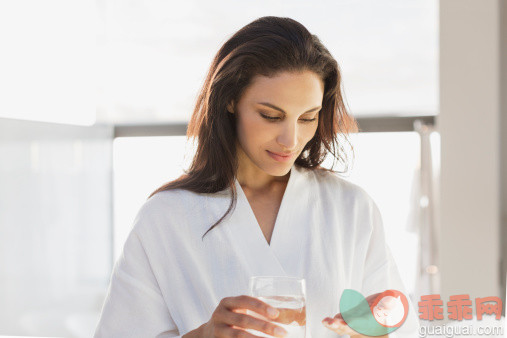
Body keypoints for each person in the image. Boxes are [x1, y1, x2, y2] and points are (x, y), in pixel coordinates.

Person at [94, 16, 420, 337]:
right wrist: (203, 336)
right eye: (270, 116)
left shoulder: (350, 208)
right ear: (231, 101)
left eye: (307, 118)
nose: (290, 140)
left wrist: (370, 333)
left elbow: (398, 326)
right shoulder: (166, 218)